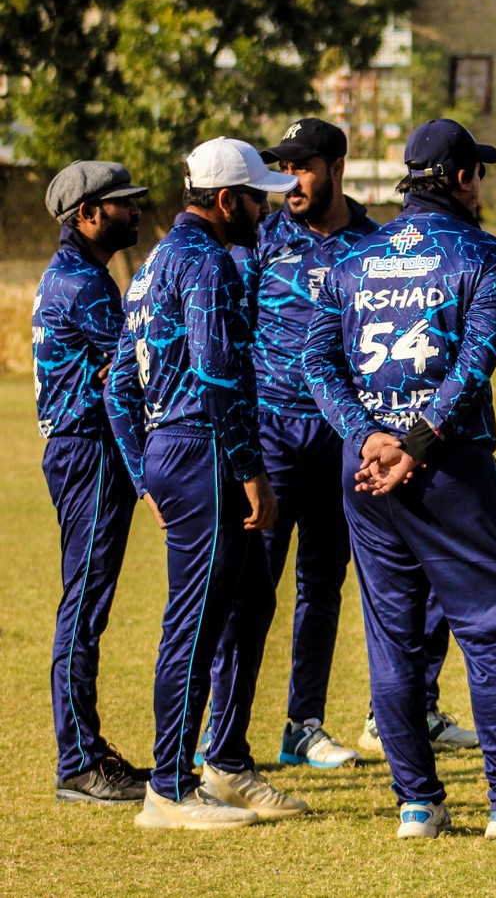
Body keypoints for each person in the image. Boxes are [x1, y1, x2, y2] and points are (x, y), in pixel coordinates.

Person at [303, 119, 496, 841]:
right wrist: (416, 441)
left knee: (392, 637)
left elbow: (315, 361)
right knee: (490, 627)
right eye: (478, 173)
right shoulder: (481, 252)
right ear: (462, 178)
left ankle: (417, 804)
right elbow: (478, 357)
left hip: (366, 472)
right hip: (447, 467)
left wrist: (367, 436)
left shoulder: (354, 256)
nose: (481, 185)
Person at [235, 118, 474, 769]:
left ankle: (303, 725)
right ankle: (225, 740)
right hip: (272, 435)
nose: (291, 181)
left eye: (302, 167)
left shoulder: (373, 243)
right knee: (254, 589)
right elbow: (232, 332)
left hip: (345, 438)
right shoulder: (263, 237)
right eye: (283, 169)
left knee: (323, 584)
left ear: (336, 167)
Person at [105, 138, 304, 829]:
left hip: (176, 452)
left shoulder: (154, 263)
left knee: (248, 603)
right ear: (225, 201)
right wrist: (251, 471)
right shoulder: (209, 263)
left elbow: (119, 388)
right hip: (204, 453)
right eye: (256, 198)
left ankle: (225, 761)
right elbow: (220, 376)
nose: (265, 209)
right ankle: (169, 787)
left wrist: (144, 475)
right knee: (193, 623)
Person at [35, 162, 150, 805]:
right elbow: (139, 370)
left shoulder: (78, 274)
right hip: (89, 453)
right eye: (121, 203)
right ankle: (78, 761)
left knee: (86, 604)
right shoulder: (83, 285)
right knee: (83, 606)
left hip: (80, 451)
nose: (134, 211)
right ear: (86, 214)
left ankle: (85, 750)